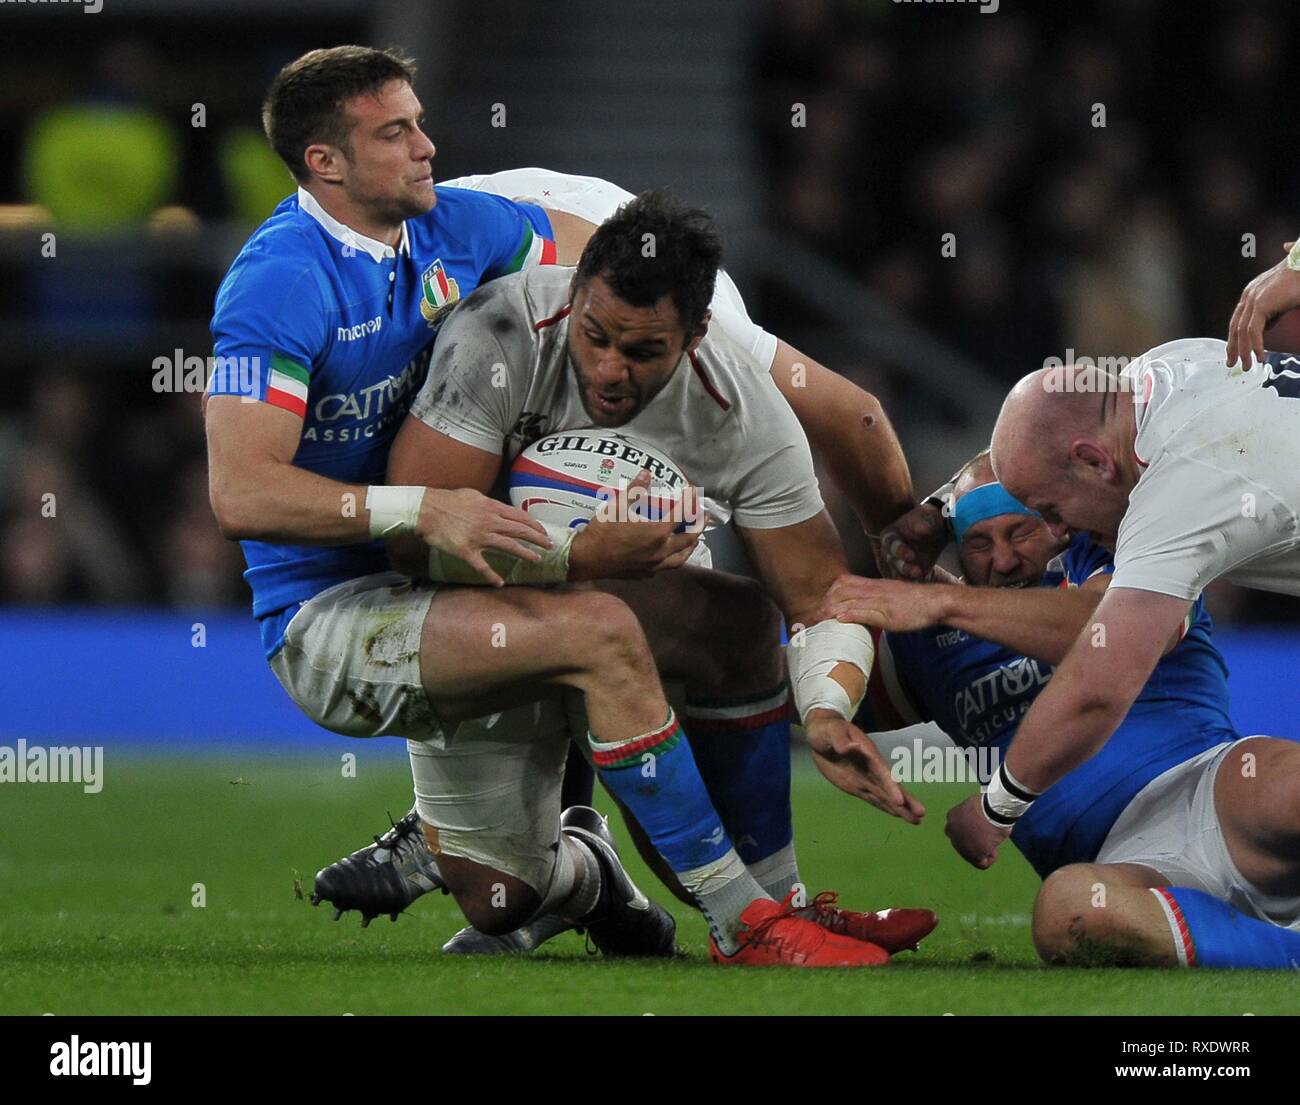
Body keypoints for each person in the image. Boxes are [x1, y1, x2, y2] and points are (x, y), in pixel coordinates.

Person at [826, 453, 1300, 968]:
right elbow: (782, 694)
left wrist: (945, 602)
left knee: (1287, 786)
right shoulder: (927, 650)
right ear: (956, 551)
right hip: (1123, 865)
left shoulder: (1129, 555)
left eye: (1021, 534)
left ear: (1056, 525)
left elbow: (1108, 633)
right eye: (979, 543)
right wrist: (818, 707)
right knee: (1068, 911)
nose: (1003, 560)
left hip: (1215, 792)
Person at [937, 344, 1300, 877]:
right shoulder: (1160, 372)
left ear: (1093, 461)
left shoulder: (1179, 490)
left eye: (1050, 512)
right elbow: (1041, 434)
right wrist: (939, 504)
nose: (1057, 534)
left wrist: (997, 807)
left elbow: (1099, 687)